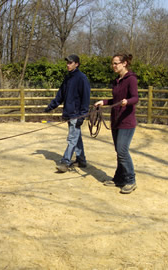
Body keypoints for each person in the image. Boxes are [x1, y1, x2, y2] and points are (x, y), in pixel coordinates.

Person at [94, 53, 139, 194]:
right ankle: (119, 178)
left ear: (124, 63)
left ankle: (130, 180)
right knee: (119, 152)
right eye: (112, 63)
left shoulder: (131, 79)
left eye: (116, 63)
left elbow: (135, 98)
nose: (113, 66)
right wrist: (104, 102)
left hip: (127, 121)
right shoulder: (116, 81)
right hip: (116, 120)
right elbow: (115, 100)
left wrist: (128, 101)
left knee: (122, 151)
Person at [44, 54, 91, 173]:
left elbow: (86, 97)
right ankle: (81, 160)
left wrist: (83, 114)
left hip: (77, 114)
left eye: (70, 63)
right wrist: (51, 106)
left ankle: (65, 162)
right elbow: (61, 95)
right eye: (67, 63)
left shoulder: (82, 78)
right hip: (69, 113)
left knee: (72, 139)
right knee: (76, 137)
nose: (68, 65)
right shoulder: (68, 78)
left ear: (77, 64)